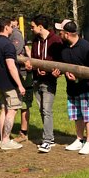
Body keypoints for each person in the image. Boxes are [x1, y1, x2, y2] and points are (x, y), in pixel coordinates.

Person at [57, 20, 89, 156]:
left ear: (67, 34)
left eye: (61, 32)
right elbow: (62, 65)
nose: (59, 34)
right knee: (77, 115)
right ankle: (79, 139)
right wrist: (60, 72)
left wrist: (78, 78)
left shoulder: (87, 48)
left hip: (86, 88)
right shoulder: (64, 47)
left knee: (88, 115)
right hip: (72, 88)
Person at [25, 14, 64, 153]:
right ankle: (50, 137)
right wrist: (34, 68)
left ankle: (47, 141)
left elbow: (61, 62)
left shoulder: (56, 41)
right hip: (36, 80)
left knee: (47, 110)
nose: (31, 29)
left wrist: (54, 72)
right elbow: (34, 59)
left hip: (49, 82)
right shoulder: (36, 40)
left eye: (33, 27)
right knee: (42, 109)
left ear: (40, 26)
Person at [0, 17, 27, 150]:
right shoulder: (8, 45)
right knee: (12, 111)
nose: (12, 28)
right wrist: (20, 85)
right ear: (6, 27)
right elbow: (11, 66)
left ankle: (2, 139)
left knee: (4, 110)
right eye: (11, 26)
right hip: (10, 84)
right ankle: (5, 140)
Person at [8, 19, 32, 143]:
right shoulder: (12, 34)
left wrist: (29, 61)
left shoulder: (17, 34)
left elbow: (22, 50)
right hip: (17, 72)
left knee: (24, 104)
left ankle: (23, 132)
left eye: (14, 22)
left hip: (23, 72)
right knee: (16, 103)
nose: (12, 25)